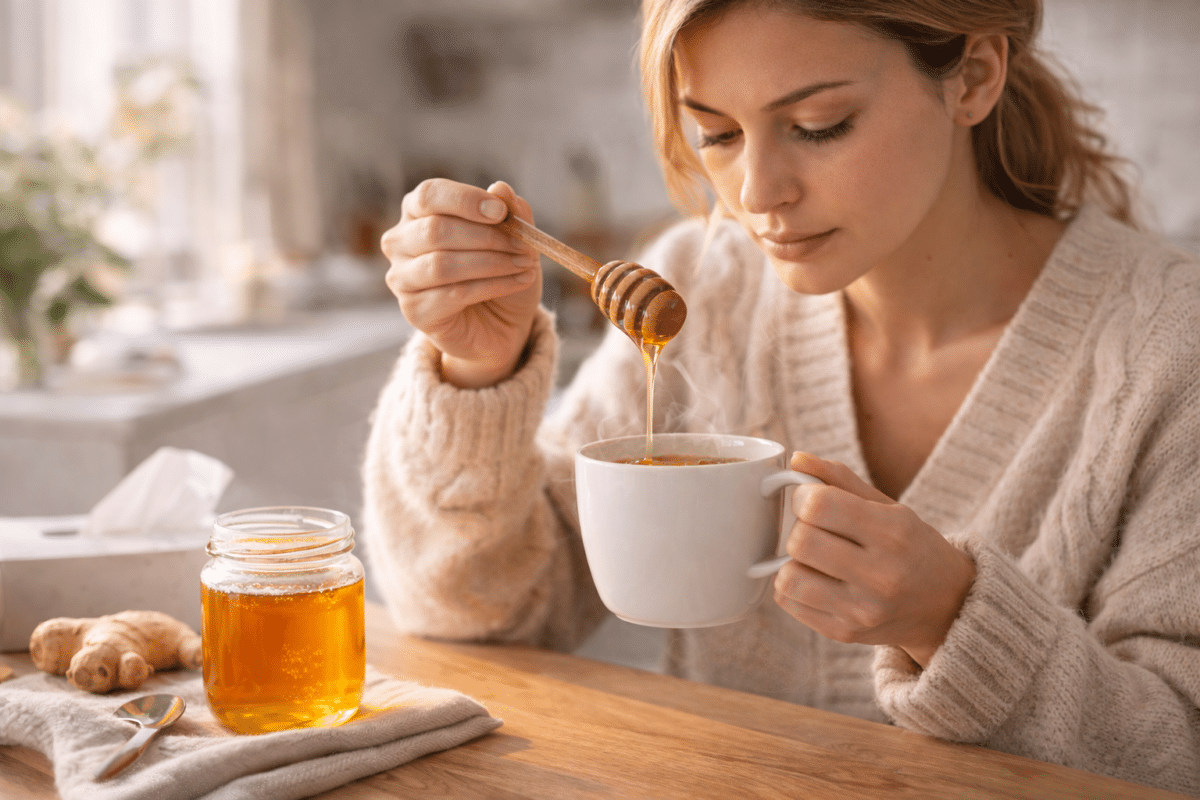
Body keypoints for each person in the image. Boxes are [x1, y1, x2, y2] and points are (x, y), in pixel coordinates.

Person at [366, 0, 1200, 793]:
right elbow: (483, 616)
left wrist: (952, 619)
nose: (758, 193)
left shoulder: (1170, 349)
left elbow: (1180, 753)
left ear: (974, 76)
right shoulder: (705, 285)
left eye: (818, 126)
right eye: (717, 134)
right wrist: (476, 370)